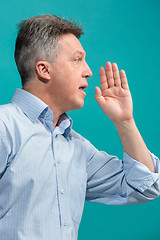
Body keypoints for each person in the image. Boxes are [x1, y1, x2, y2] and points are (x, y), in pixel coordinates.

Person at [0, 14, 159, 240]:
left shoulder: (77, 148)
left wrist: (125, 122)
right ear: (44, 70)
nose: (88, 71)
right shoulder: (4, 127)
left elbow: (145, 187)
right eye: (77, 59)